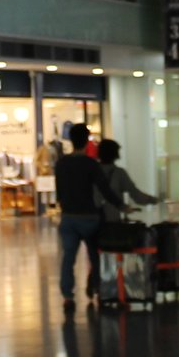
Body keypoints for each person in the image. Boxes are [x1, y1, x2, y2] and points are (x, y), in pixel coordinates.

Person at [54, 122, 123, 311]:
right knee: (95, 257)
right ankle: (98, 291)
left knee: (68, 257)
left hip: (68, 217)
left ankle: (67, 296)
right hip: (89, 217)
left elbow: (59, 190)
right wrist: (120, 205)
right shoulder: (91, 164)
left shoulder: (61, 163)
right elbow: (104, 189)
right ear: (87, 142)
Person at [87, 138, 159, 296]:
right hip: (112, 221)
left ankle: (94, 281)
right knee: (113, 253)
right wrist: (154, 199)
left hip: (92, 219)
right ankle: (113, 285)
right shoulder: (119, 174)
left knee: (94, 252)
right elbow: (136, 195)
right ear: (115, 154)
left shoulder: (92, 172)